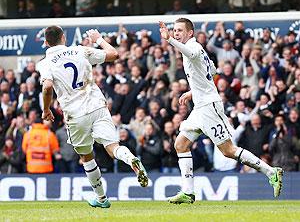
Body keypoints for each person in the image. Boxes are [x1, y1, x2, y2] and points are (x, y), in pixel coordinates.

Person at [159, 18, 283, 204]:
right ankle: (188, 192)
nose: (176, 33)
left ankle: (271, 172)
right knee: (181, 144)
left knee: (228, 150)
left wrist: (169, 39)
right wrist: (193, 91)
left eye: (179, 31)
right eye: (174, 31)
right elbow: (212, 71)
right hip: (200, 106)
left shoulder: (193, 47)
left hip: (209, 107)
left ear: (190, 33)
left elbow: (192, 54)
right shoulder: (196, 50)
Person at [38, 26, 148, 208]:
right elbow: (113, 54)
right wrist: (98, 39)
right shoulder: (80, 50)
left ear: (46, 43)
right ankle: (131, 159)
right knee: (113, 146)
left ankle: (102, 198)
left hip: (76, 114)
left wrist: (46, 109)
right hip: (98, 105)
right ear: (64, 38)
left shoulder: (44, 63)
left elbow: (47, 86)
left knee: (86, 156)